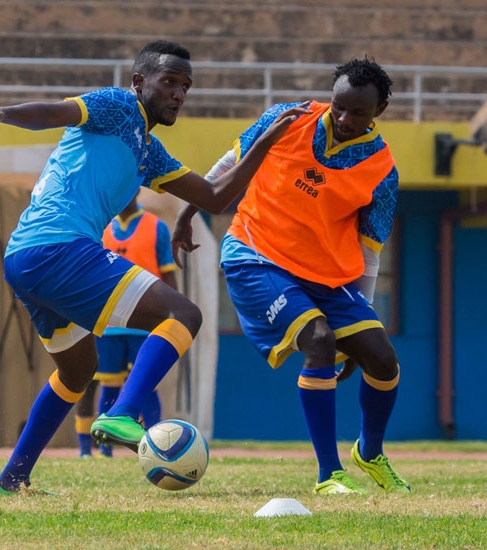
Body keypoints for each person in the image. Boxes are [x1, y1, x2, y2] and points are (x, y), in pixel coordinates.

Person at [0, 39, 310, 495]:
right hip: (58, 248)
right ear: (139, 82)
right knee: (184, 314)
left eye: (186, 86)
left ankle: (11, 479)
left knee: (76, 371)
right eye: (169, 82)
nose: (179, 94)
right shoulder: (118, 105)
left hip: (26, 257)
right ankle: (123, 412)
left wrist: (264, 144)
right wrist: (3, 113)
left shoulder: (149, 150)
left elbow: (215, 197)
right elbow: (54, 112)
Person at [172, 58, 411, 495]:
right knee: (318, 341)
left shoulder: (382, 170)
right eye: (339, 106)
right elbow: (231, 160)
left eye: (357, 112)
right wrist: (188, 212)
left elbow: (369, 253)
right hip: (256, 253)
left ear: (379, 111)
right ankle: (329, 476)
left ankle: (370, 452)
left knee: (382, 357)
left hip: (326, 273)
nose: (343, 118)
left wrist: (363, 321)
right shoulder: (288, 119)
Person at [75, 194, 178, 458]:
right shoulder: (102, 228)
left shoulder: (156, 227)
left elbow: (168, 275)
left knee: (147, 385)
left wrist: (173, 316)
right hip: (109, 323)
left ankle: (156, 447)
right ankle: (99, 451)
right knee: (108, 384)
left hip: (144, 323)